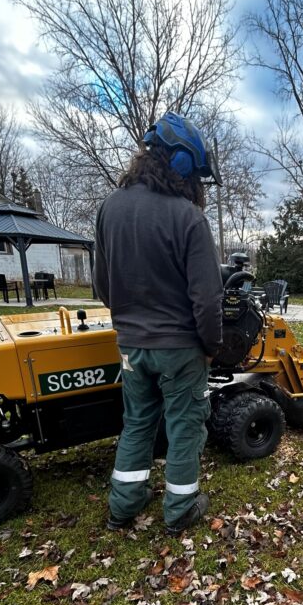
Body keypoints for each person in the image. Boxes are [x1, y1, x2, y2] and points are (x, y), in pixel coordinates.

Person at [93, 112, 224, 534]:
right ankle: (180, 509)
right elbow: (207, 299)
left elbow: (103, 285)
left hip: (132, 346)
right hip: (181, 348)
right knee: (185, 426)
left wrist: (130, 322)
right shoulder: (188, 217)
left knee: (137, 423)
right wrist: (210, 345)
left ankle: (123, 507)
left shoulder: (109, 207)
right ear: (183, 165)